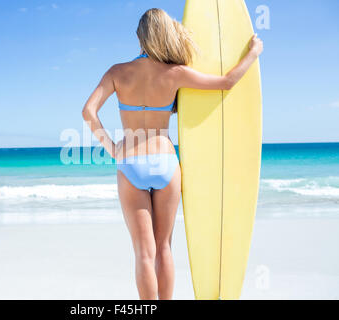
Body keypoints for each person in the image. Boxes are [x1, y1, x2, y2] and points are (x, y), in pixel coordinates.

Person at [82, 8, 263, 300]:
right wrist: (253, 53)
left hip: (130, 162)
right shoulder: (175, 73)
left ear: (139, 36)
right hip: (165, 162)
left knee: (144, 251)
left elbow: (88, 112)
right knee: (163, 246)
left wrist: (113, 149)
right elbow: (227, 83)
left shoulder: (117, 72)